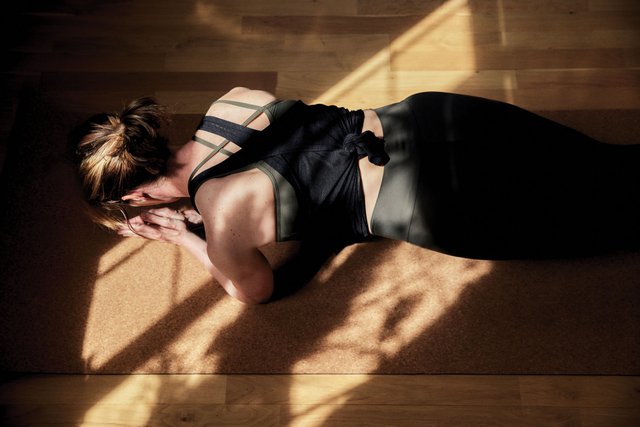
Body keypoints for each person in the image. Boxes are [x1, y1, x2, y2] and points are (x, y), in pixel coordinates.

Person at [72, 87, 640, 304]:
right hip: (438, 115)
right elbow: (283, 158)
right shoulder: (233, 103)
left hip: (440, 201)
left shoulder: (222, 221)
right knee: (608, 164)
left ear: (141, 195)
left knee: (615, 219)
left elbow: (254, 291)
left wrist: (186, 237)